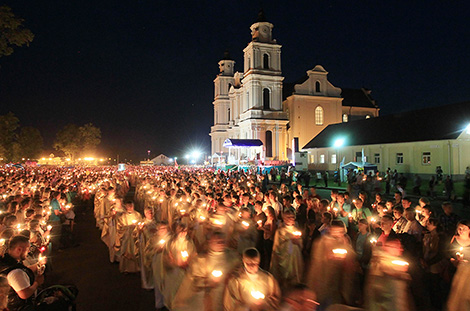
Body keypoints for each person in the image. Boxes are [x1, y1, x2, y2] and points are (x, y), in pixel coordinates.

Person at [0, 235, 45, 311]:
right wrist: (37, 282)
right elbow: (24, 294)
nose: (29, 251)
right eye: (27, 249)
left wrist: (38, 265)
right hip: (20, 307)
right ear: (19, 249)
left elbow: (23, 271)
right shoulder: (15, 272)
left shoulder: (8, 262)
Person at [446, 220, 470, 310]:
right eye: (459, 228)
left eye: (464, 228)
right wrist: (452, 260)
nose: (461, 230)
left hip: (467, 274)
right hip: (453, 270)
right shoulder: (454, 238)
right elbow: (447, 253)